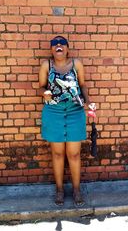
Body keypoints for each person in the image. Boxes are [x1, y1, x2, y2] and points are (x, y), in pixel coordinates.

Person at [39, 35, 93, 206]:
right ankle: (60, 190)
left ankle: (77, 190)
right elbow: (40, 86)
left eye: (62, 44)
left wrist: (89, 102)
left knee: (74, 154)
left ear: (67, 49)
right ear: (51, 50)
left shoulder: (76, 64)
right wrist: (44, 93)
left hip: (75, 111)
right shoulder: (46, 65)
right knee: (57, 153)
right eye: (55, 44)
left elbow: (83, 85)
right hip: (53, 112)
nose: (59, 46)